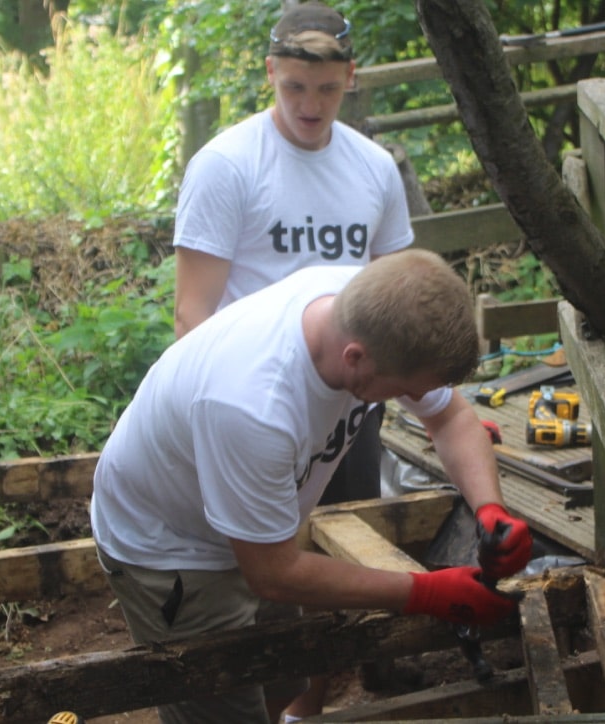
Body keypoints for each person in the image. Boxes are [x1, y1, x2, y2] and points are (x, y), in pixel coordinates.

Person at [91, 249, 533, 724]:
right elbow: (273, 574)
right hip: (171, 552)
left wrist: (490, 510)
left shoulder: (369, 305)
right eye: (407, 389)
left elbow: (449, 417)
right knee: (221, 710)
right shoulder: (252, 406)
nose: (418, 400)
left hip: (253, 532)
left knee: (284, 678)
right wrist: (426, 593)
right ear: (356, 358)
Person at [171, 6, 414, 714]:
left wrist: (433, 402)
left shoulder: (372, 169)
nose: (310, 106)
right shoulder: (226, 166)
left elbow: (400, 294)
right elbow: (193, 315)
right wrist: (217, 421)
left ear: (351, 80)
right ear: (272, 72)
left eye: (327, 90)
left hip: (351, 401)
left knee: (349, 549)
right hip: (258, 405)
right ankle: (260, 697)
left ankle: (321, 700)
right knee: (261, 567)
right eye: (296, 86)